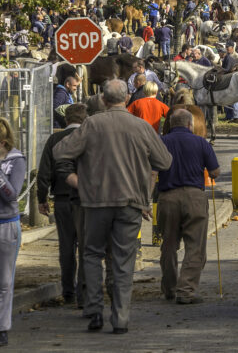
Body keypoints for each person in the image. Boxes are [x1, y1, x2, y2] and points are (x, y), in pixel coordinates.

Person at [54, 79, 172, 335]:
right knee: (123, 260)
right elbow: (164, 160)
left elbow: (60, 152)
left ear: (104, 101)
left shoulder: (91, 124)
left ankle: (94, 309)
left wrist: (79, 180)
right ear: (127, 99)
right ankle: (120, 317)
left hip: (95, 201)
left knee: (92, 254)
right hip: (130, 202)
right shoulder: (140, 126)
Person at [156, 109, 219, 304]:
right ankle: (185, 290)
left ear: (171, 125)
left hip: (167, 198)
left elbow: (151, 170)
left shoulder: (161, 142)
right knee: (195, 247)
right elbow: (215, 172)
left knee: (168, 245)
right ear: (190, 125)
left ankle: (170, 288)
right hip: (194, 198)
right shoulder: (201, 142)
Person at [37, 103, 89, 306]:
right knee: (86, 247)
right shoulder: (89, 139)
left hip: (62, 198)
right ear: (85, 119)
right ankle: (85, 293)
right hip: (85, 199)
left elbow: (44, 172)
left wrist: (42, 198)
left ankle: (68, 291)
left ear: (66, 120)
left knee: (66, 247)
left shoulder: (54, 139)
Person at [0, 117, 26, 347]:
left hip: (6, 225)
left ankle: (2, 327)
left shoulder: (16, 160)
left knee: (5, 281)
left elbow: (12, 194)